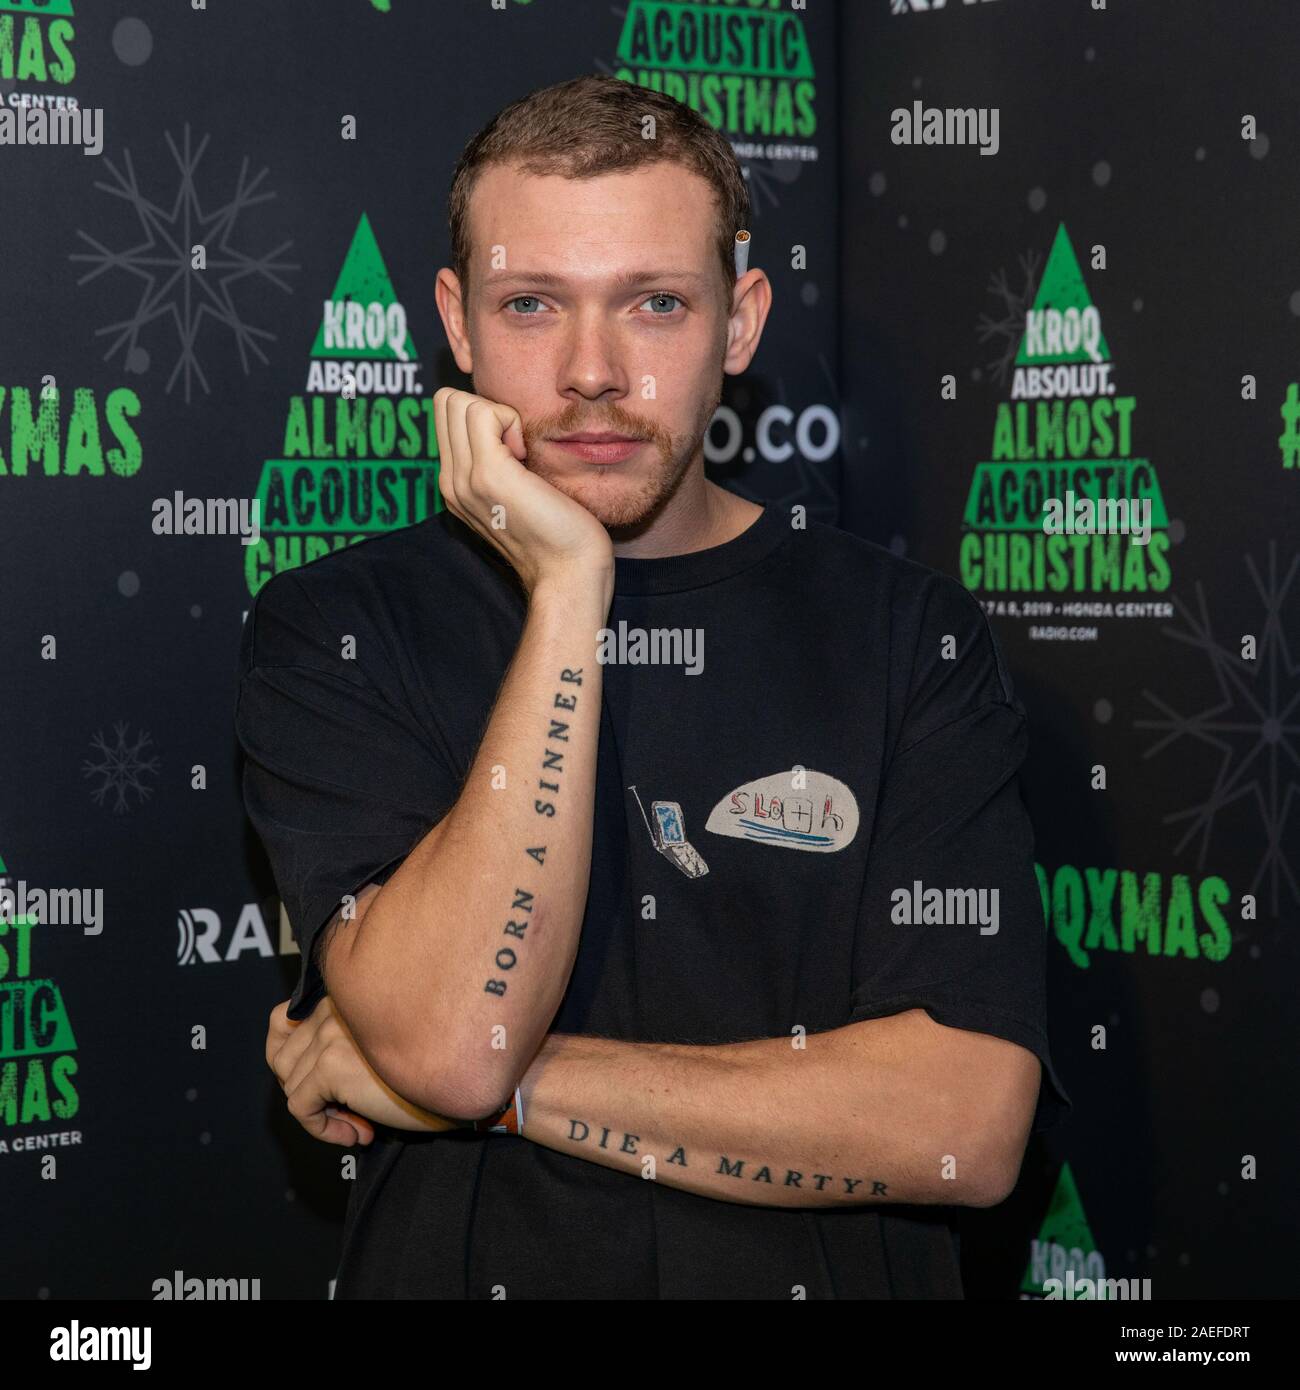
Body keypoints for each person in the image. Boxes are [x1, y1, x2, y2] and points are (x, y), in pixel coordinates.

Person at [236, 74, 1070, 1300]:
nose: (590, 371)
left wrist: (517, 1088)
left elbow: (967, 1125)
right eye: (532, 305)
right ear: (457, 325)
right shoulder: (337, 631)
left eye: (655, 305)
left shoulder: (907, 636)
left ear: (737, 324)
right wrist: (571, 588)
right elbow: (461, 1039)